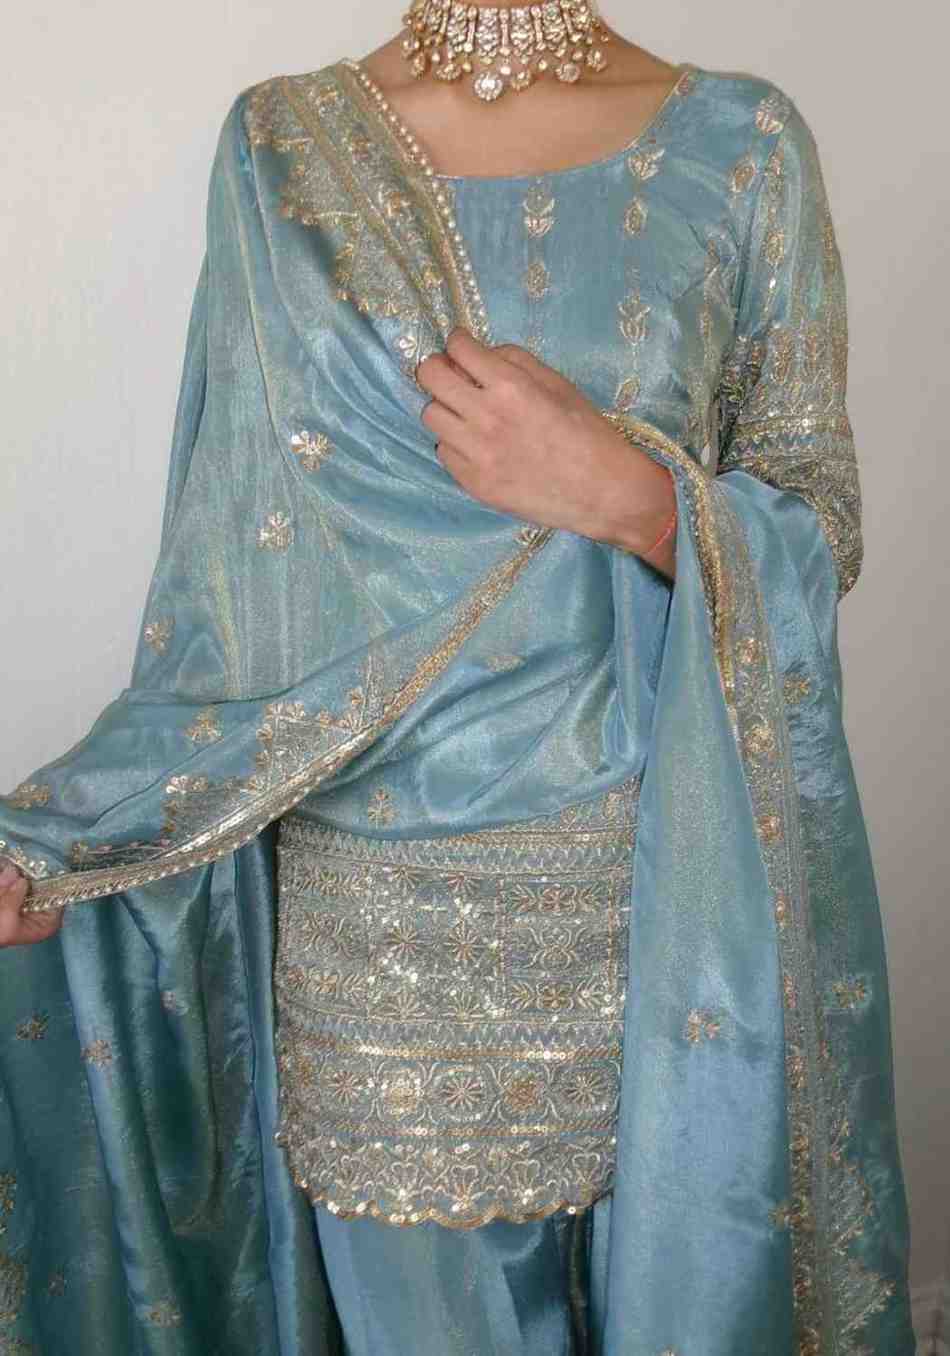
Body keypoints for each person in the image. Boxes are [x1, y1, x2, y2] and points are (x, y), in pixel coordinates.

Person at [0, 2, 915, 1352]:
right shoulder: (283, 144)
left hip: (661, 895)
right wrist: (69, 833)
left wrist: (627, 494)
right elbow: (231, 588)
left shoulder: (745, 144)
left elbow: (818, 517)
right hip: (378, 927)